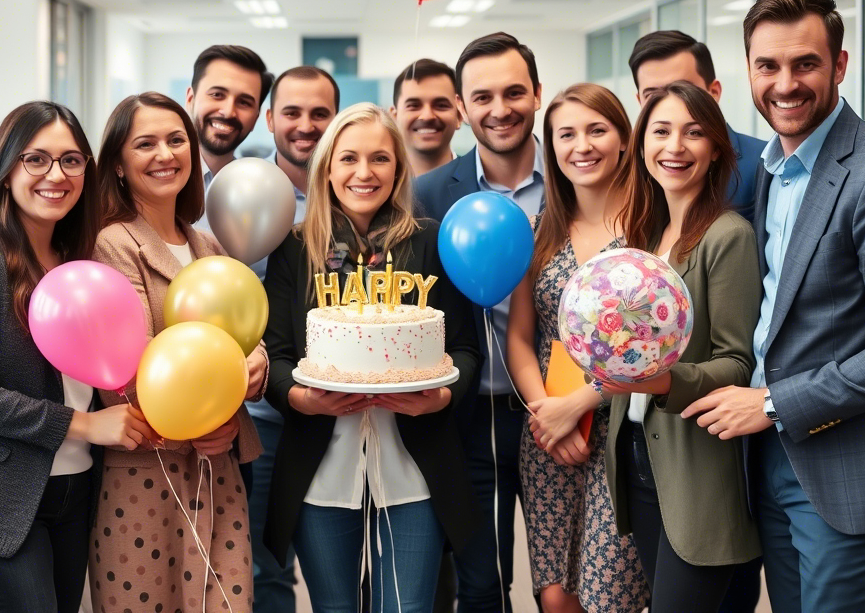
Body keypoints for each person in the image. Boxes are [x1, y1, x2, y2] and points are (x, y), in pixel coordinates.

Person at [683, 0, 865, 613]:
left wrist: (773, 403)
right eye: (768, 65)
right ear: (748, 70)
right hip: (770, 456)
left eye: (806, 64)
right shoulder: (774, 168)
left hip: (847, 470)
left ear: (839, 65)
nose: (785, 84)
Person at [0, 101, 151, 612]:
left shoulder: (79, 258)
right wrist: (86, 425)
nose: (55, 175)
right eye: (36, 159)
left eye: (71, 160)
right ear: (6, 168)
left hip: (72, 489)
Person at [262, 103, 482, 612]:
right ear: (327, 168)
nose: (364, 172)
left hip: (415, 465)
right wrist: (299, 398)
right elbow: (275, 354)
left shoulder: (430, 242)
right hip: (320, 466)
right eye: (349, 158)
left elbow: (466, 349)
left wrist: (442, 396)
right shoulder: (295, 247)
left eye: (380, 158)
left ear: (399, 168)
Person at [90, 92, 268, 612]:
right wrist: (213, 404)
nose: (165, 154)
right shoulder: (111, 244)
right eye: (145, 144)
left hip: (217, 464)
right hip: (146, 470)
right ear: (118, 165)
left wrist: (255, 366)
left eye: (175, 140)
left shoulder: (206, 245)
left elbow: (239, 333)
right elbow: (127, 367)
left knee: (228, 602)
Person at [602, 81, 762, 612]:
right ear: (641, 143)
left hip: (696, 466)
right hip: (638, 456)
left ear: (716, 147)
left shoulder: (728, 235)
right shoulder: (645, 237)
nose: (674, 147)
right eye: (661, 131)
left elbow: (737, 363)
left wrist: (662, 381)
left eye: (693, 133)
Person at [506, 83, 649, 613]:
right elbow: (520, 337)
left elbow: (658, 348)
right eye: (566, 134)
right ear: (551, 147)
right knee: (556, 596)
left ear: (624, 140)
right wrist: (546, 414)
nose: (582, 146)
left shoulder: (650, 229)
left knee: (609, 596)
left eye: (597, 130)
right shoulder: (538, 230)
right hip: (548, 433)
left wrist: (578, 406)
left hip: (624, 431)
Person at [415, 32, 543, 613]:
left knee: (568, 585)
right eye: (482, 97)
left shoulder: (577, 177)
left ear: (537, 93)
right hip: (467, 417)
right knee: (484, 585)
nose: (500, 109)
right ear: (462, 108)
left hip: (564, 413)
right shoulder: (427, 195)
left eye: (514, 92)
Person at [248, 64, 338, 612]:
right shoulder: (240, 193)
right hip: (263, 419)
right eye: (292, 112)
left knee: (341, 570)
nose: (305, 125)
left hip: (346, 414)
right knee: (265, 568)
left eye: (319, 113)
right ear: (270, 119)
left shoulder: (357, 192)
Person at [630, 30, 766, 223]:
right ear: (640, 102)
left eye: (684, 89)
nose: (669, 99)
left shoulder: (766, 162)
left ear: (714, 92)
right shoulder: (634, 172)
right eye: (652, 95)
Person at [185, 43, 274, 233]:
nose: (228, 112)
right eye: (217, 95)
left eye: (244, 102)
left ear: (255, 118)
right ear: (190, 100)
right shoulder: (155, 179)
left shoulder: (262, 193)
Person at [390, 59, 462, 176]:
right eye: (414, 106)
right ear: (394, 118)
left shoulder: (482, 183)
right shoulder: (378, 183)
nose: (427, 116)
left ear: (459, 116)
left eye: (441, 105)